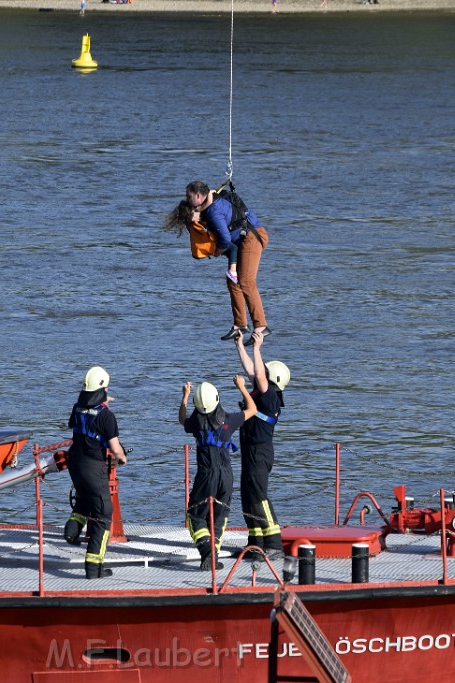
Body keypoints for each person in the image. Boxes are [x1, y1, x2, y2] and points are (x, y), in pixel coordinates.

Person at [179, 376, 256, 571]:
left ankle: (207, 551)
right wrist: (242, 388)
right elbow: (252, 409)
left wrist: (185, 396)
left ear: (198, 404)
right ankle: (213, 551)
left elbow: (182, 419)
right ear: (217, 399)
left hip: (206, 475)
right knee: (220, 515)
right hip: (227, 476)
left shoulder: (195, 423)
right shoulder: (229, 420)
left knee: (195, 515)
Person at [184, 180, 271, 345]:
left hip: (253, 237)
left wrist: (217, 252)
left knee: (246, 281)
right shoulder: (211, 198)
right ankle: (240, 324)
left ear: (198, 195)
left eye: (189, 196)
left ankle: (261, 326)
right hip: (244, 239)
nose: (187, 200)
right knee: (233, 281)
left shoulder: (213, 212)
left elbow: (224, 240)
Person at [64, 366, 128, 580]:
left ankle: (72, 529)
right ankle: (93, 568)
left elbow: (85, 414)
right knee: (102, 514)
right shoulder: (107, 416)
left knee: (84, 499)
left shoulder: (76, 408)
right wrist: (122, 458)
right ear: (103, 389)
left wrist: (101, 403)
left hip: (75, 463)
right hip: (94, 467)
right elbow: (115, 447)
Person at [234, 330, 290, 563]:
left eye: (264, 374)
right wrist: (239, 345)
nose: (258, 375)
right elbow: (252, 370)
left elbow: (258, 372)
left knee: (259, 497)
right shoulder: (262, 390)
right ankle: (255, 544)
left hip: (260, 452)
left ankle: (274, 544)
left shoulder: (270, 397)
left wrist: (257, 347)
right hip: (250, 450)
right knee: (247, 497)